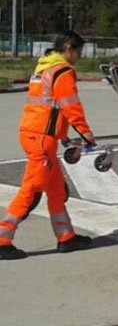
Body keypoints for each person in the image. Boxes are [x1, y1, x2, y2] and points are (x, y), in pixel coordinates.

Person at [0, 31, 97, 259]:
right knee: (30, 192)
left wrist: (63, 136)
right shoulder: (62, 72)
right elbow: (70, 107)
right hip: (42, 139)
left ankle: (66, 238)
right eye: (79, 52)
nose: (79, 57)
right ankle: (3, 240)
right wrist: (86, 135)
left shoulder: (43, 67)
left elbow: (51, 108)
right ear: (69, 49)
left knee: (56, 190)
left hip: (34, 134)